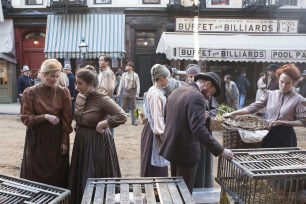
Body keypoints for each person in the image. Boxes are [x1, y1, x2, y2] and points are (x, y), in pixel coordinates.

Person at [160, 72, 234, 193]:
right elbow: (199, 129)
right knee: (185, 193)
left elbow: (167, 117)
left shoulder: (178, 91)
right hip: (186, 152)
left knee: (176, 191)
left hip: (173, 148)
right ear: (208, 84)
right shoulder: (197, 97)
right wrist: (221, 150)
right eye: (212, 93)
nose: (210, 97)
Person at [69, 68, 127, 204]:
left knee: (94, 171)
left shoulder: (102, 99)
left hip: (97, 141)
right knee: (81, 171)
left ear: (90, 83)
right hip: (82, 140)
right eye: (76, 83)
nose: (76, 87)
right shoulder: (80, 96)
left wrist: (104, 123)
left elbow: (122, 115)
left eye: (80, 84)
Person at [224, 64, 306, 148]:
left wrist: (284, 122)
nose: (284, 86)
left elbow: (303, 122)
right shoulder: (270, 94)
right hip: (268, 134)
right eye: (282, 82)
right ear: (278, 80)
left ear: (293, 83)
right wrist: (232, 114)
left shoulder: (299, 100)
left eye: (288, 83)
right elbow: (252, 108)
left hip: (285, 137)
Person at [20, 59, 73, 188]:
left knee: (57, 174)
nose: (54, 79)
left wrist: (65, 141)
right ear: (43, 74)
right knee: (35, 175)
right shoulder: (30, 92)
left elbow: (67, 119)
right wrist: (44, 117)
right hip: (37, 139)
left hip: (56, 138)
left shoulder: (63, 92)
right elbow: (25, 118)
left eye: (57, 76)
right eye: (51, 76)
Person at [141, 64, 170, 177]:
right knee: (155, 165)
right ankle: (154, 191)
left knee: (159, 163)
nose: (168, 80)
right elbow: (156, 116)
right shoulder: (155, 93)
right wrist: (162, 135)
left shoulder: (157, 91)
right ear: (161, 78)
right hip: (154, 131)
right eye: (167, 77)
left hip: (153, 129)